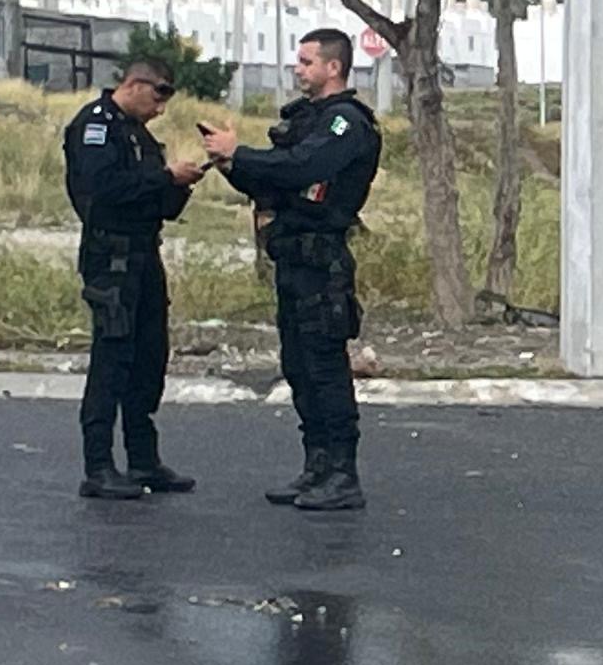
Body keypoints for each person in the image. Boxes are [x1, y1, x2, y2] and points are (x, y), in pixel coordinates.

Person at [203, 27, 384, 511]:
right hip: (292, 256)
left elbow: (304, 167)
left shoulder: (346, 123)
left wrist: (241, 154)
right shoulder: (309, 118)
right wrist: (230, 163)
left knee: (325, 366)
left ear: (333, 67)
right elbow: (277, 176)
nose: (298, 69)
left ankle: (342, 474)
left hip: (321, 257)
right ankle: (317, 465)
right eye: (298, 61)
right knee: (299, 366)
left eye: (307, 62)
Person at [60, 54, 205, 501]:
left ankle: (143, 458)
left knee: (149, 358)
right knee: (113, 358)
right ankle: (98, 464)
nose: (161, 108)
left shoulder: (139, 135)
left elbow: (156, 200)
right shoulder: (96, 126)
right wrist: (163, 177)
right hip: (111, 255)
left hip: (144, 253)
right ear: (137, 84)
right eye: (159, 94)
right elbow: (106, 191)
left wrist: (180, 184)